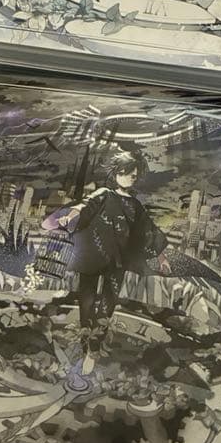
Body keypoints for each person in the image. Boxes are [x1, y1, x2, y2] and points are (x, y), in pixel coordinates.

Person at [42, 152, 171, 380]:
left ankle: (94, 348)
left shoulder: (135, 206)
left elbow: (148, 231)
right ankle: (85, 344)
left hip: (117, 260)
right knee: (87, 301)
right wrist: (70, 216)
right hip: (93, 255)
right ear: (116, 173)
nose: (130, 177)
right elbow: (84, 206)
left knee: (108, 304)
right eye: (125, 172)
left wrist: (161, 256)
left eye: (134, 175)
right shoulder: (103, 194)